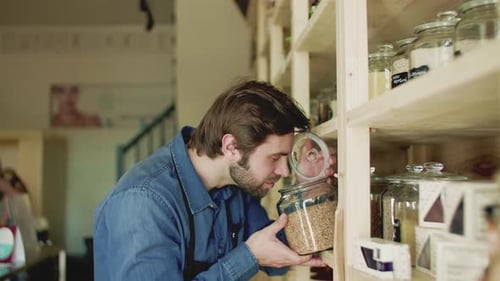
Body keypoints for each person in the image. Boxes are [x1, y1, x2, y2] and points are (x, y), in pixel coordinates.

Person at [93, 80, 335, 280]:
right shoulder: (143, 202)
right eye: (275, 158)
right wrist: (249, 257)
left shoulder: (233, 186)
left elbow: (280, 251)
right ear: (231, 147)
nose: (284, 171)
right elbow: (258, 253)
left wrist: (308, 182)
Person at [0, 167, 41, 262]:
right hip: (22, 245)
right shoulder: (10, 199)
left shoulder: (17, 199)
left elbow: (4, 222)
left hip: (24, 245)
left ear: (4, 181)